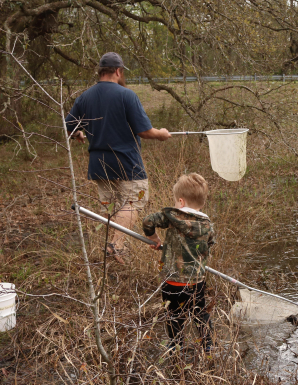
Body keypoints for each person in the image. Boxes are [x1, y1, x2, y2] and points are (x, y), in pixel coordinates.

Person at [66, 52, 172, 264]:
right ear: (118, 71)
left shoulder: (84, 97)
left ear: (100, 72)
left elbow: (68, 126)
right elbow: (144, 131)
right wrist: (161, 134)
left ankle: (113, 255)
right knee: (136, 201)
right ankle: (116, 245)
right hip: (126, 162)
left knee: (111, 208)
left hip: (98, 166)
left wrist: (78, 133)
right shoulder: (126, 95)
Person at [142, 173, 216, 354]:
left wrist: (154, 238)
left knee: (173, 315)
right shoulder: (207, 224)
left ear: (181, 202)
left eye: (176, 201)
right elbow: (210, 243)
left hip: (172, 281)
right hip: (195, 281)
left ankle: (176, 344)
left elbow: (148, 221)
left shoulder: (171, 217)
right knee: (200, 313)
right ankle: (207, 344)